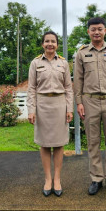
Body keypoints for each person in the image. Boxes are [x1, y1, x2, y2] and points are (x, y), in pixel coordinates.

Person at [74, 17, 106, 196]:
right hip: (90, 101)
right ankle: (96, 178)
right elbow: (78, 80)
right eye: (93, 29)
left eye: (100, 29)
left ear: (105, 31)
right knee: (93, 142)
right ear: (88, 32)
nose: (96, 32)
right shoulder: (81, 53)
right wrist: (79, 103)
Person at [27, 31, 74, 197]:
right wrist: (31, 110)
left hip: (60, 104)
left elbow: (68, 87)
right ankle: (47, 179)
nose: (50, 44)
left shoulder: (63, 63)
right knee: (44, 143)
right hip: (42, 105)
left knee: (59, 143)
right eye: (47, 41)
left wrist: (70, 109)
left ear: (57, 45)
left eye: (53, 41)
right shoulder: (35, 63)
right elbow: (31, 88)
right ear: (42, 44)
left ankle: (57, 179)